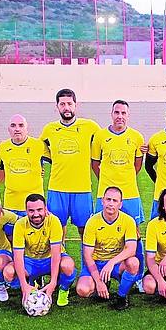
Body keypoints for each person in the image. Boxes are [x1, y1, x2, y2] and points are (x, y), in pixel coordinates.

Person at [91, 99, 147, 288]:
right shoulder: (100, 136)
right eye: (117, 112)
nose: (120, 116)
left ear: (128, 115)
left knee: (135, 234)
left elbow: (137, 165)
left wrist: (125, 180)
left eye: (123, 113)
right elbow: (95, 164)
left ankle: (138, 277)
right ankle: (100, 274)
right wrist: (109, 185)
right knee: (100, 233)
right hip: (105, 194)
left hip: (130, 194)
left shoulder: (136, 137)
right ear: (111, 114)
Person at [40, 88, 101, 236]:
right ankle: (60, 252)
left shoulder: (90, 127)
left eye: (69, 104)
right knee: (57, 229)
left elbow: (105, 142)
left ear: (75, 105)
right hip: (57, 188)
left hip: (82, 189)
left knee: (85, 230)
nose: (66, 108)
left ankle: (85, 253)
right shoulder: (49, 129)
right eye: (62, 104)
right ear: (57, 106)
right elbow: (38, 149)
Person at [5, 194, 78, 308]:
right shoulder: (20, 225)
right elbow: (18, 256)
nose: (36, 214)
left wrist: (53, 282)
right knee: (8, 272)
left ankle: (63, 289)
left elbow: (56, 254)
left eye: (39, 210)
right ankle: (30, 284)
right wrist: (23, 285)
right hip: (30, 261)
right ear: (26, 211)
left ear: (45, 209)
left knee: (68, 266)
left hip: (49, 259)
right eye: (31, 211)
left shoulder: (54, 221)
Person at [76, 186, 141, 311]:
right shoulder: (92, 222)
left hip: (116, 263)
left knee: (133, 263)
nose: (111, 203)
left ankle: (121, 296)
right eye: (108, 199)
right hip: (96, 263)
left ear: (120, 204)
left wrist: (111, 263)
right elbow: (87, 256)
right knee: (82, 290)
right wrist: (98, 282)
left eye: (115, 201)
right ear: (102, 201)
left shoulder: (128, 221)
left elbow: (131, 249)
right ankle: (101, 284)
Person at [0, 114, 46, 217]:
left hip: (34, 204)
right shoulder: (2, 147)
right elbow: (0, 175)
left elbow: (57, 160)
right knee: (10, 228)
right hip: (10, 204)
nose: (17, 129)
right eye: (13, 125)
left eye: (21, 125)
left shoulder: (39, 145)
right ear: (8, 129)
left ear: (27, 128)